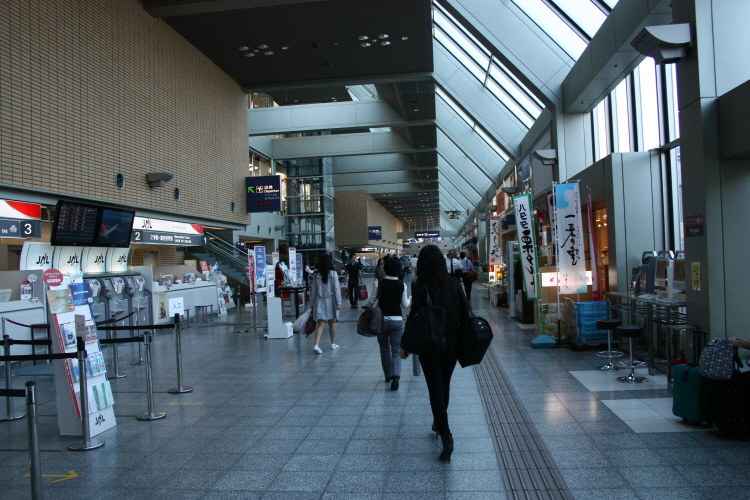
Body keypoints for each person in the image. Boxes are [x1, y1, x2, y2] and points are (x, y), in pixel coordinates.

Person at [400, 244, 468, 461]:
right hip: (452, 346)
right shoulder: (455, 284)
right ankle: (440, 425)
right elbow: (465, 314)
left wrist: (405, 344)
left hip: (430, 346)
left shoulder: (420, 287)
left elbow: (414, 318)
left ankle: (446, 434)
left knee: (435, 391)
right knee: (444, 386)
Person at [365, 255, 411, 390]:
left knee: (384, 349)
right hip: (397, 322)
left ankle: (388, 375)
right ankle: (396, 376)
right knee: (396, 350)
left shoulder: (379, 283)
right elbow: (405, 305)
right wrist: (410, 298)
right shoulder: (401, 285)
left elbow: (370, 301)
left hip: (381, 322)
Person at [310, 254, 342, 354]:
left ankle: (316, 344)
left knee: (320, 324)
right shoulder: (333, 274)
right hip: (331, 301)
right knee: (331, 323)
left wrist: (311, 304)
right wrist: (339, 302)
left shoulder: (316, 275)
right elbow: (336, 289)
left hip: (319, 301)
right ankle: (332, 343)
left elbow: (313, 290)